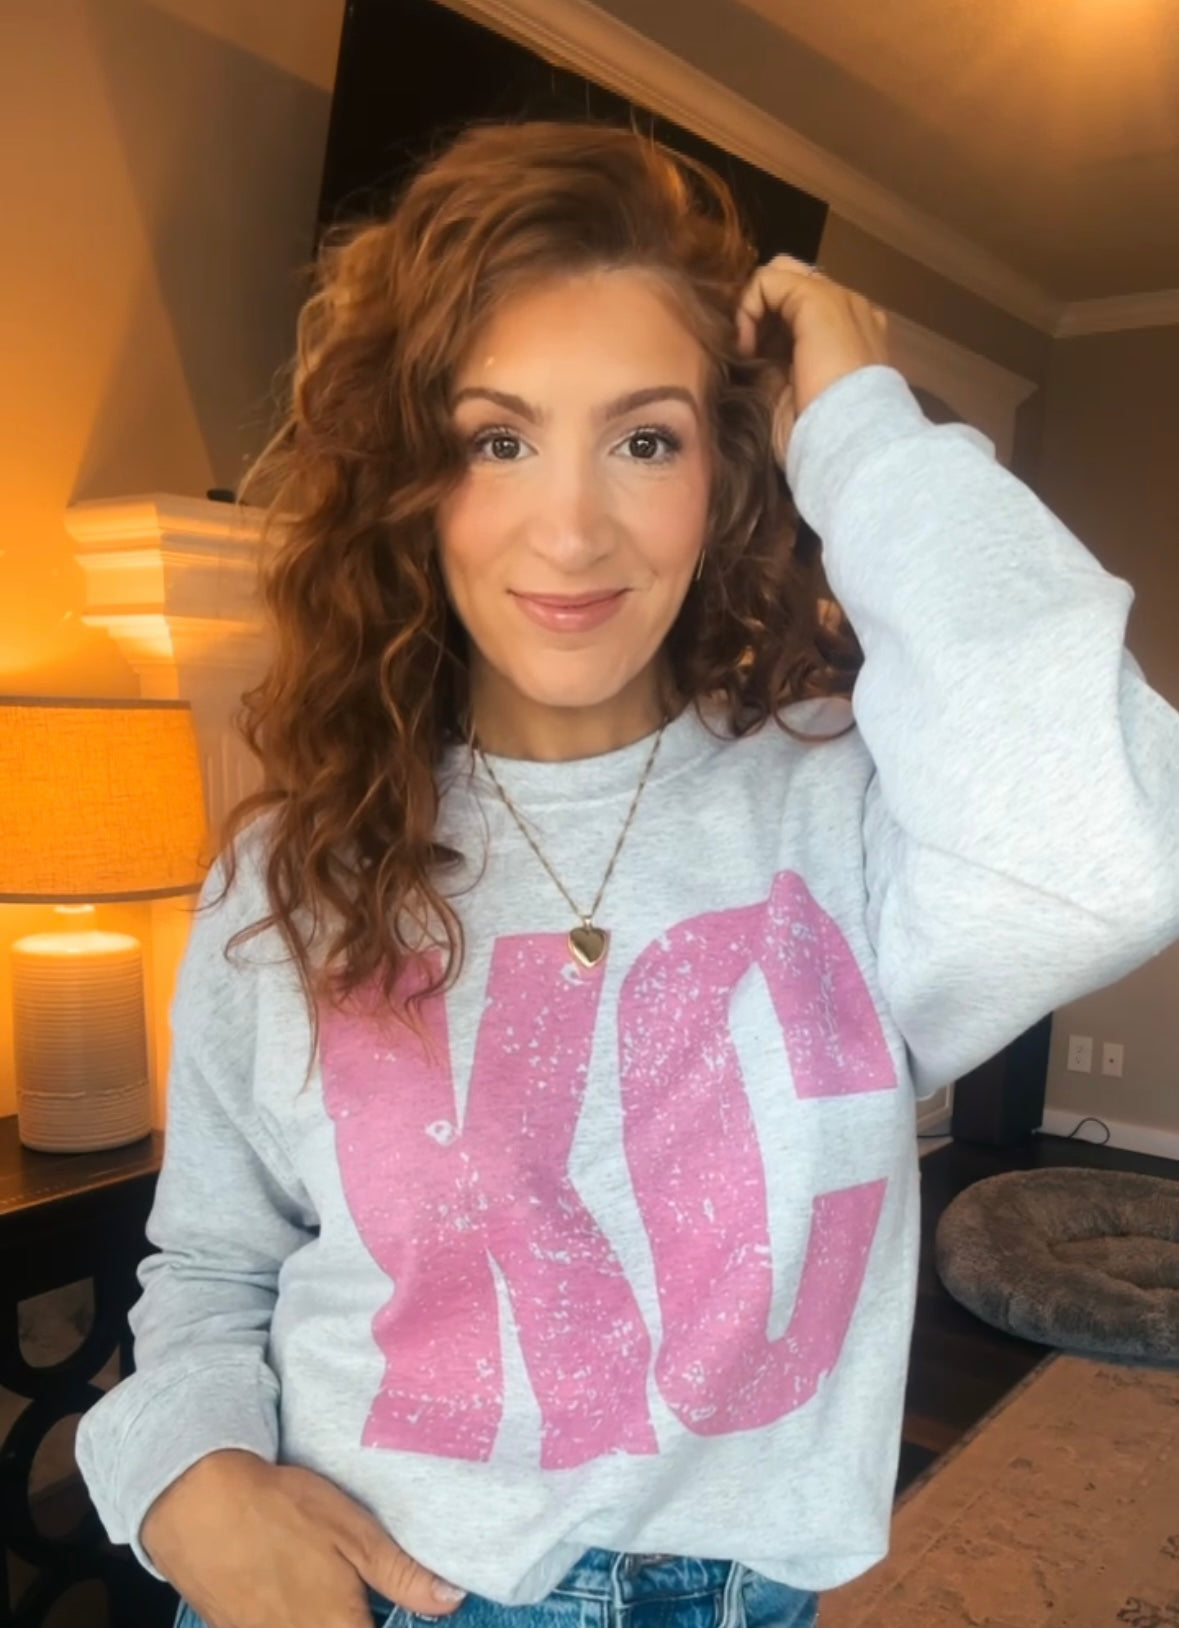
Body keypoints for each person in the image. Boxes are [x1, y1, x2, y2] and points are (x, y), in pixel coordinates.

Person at [75, 120, 1179, 1628]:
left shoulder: (849, 809)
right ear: (412, 478)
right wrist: (182, 1478)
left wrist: (859, 423)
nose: (574, 526)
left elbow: (1112, 841)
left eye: (645, 439)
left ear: (726, 469)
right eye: (498, 439)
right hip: (366, 1589)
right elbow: (211, 1260)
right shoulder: (291, 869)